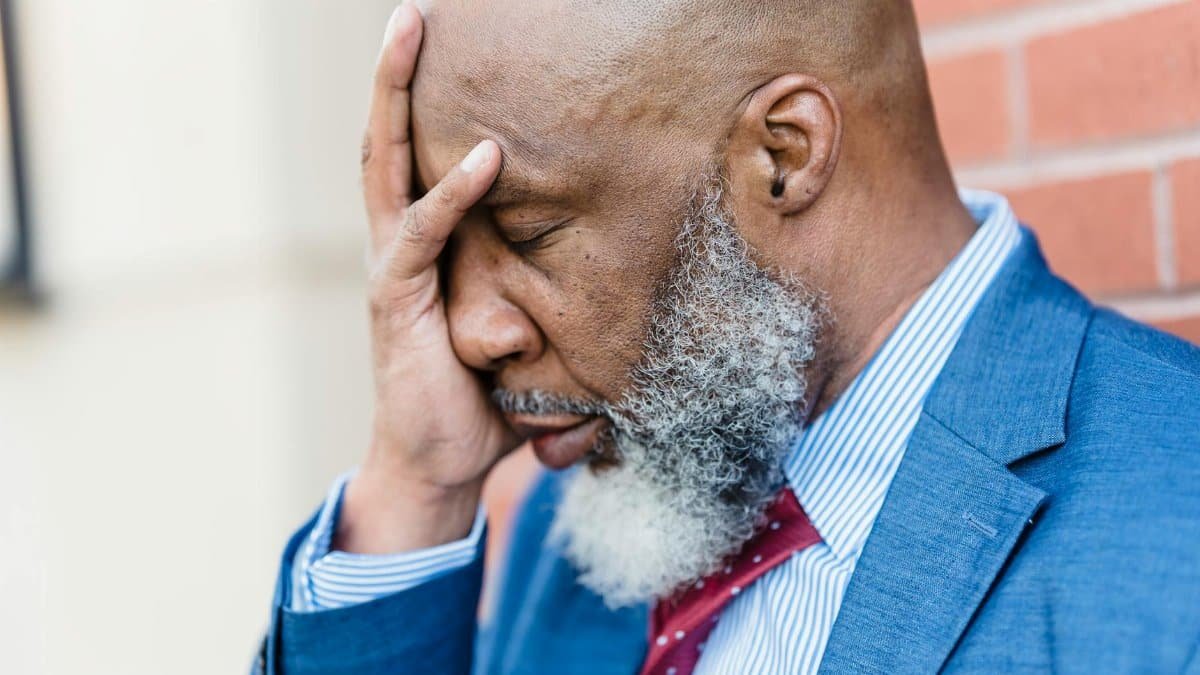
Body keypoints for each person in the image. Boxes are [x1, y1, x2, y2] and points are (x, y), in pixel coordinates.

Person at [255, 1, 1200, 673]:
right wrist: (415, 490)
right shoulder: (578, 527)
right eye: (448, 246)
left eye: (529, 231)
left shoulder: (1170, 547)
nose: (470, 328)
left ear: (783, 156)